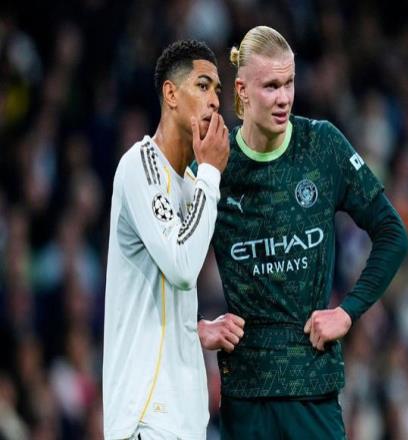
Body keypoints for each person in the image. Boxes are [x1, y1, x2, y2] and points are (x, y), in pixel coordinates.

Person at [198, 26, 408, 439]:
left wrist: (348, 311)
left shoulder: (321, 146)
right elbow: (168, 255)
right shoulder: (216, 161)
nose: (284, 98)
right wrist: (197, 326)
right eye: (271, 86)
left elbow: (392, 233)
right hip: (246, 397)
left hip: (312, 390)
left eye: (289, 83)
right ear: (241, 90)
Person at [102, 40, 232, 440]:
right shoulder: (140, 165)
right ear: (171, 94)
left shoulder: (193, 185)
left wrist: (192, 331)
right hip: (146, 418)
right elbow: (181, 267)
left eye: (217, 91)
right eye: (203, 86)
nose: (215, 101)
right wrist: (211, 173)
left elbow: (167, 289)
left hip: (183, 421)